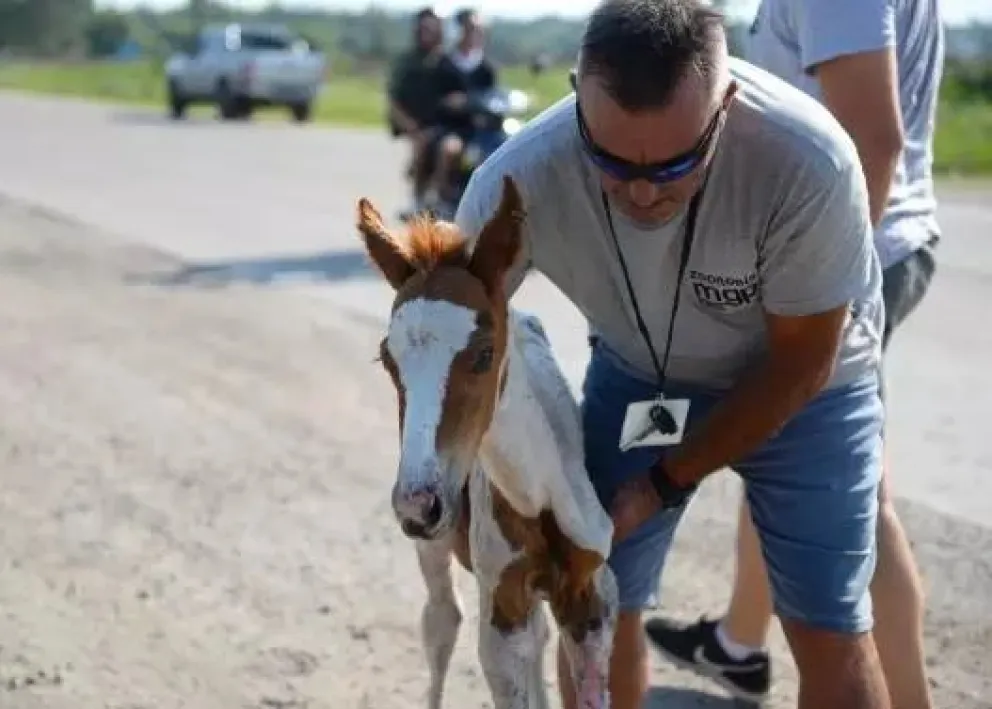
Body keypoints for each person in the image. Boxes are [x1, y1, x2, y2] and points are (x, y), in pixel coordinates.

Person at [454, 1, 894, 708]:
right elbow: (446, 340)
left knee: (828, 624)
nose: (641, 191)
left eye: (677, 164)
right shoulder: (516, 181)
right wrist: (459, 489)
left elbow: (804, 361)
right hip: (642, 374)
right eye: (609, 160)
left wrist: (662, 481)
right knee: (590, 592)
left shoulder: (808, 161)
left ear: (726, 104)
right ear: (575, 96)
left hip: (811, 386)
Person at [644, 1, 944, 707]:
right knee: (783, 443)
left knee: (851, 494)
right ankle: (739, 645)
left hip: (855, 246)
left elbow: (875, 138)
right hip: (858, 238)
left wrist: (827, 284)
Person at [424, 7, 499, 208]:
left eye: (477, 30)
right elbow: (433, 99)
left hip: (481, 128)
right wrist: (449, 103)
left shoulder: (486, 67)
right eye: (469, 29)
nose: (474, 34)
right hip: (452, 127)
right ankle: (440, 198)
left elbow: (492, 96)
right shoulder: (443, 63)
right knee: (450, 149)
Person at [386, 7, 447, 213]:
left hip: (445, 125)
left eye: (431, 29)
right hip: (415, 123)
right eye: (423, 29)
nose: (427, 33)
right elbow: (394, 99)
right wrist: (409, 125)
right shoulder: (407, 62)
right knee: (422, 145)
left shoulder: (447, 61)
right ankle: (420, 199)